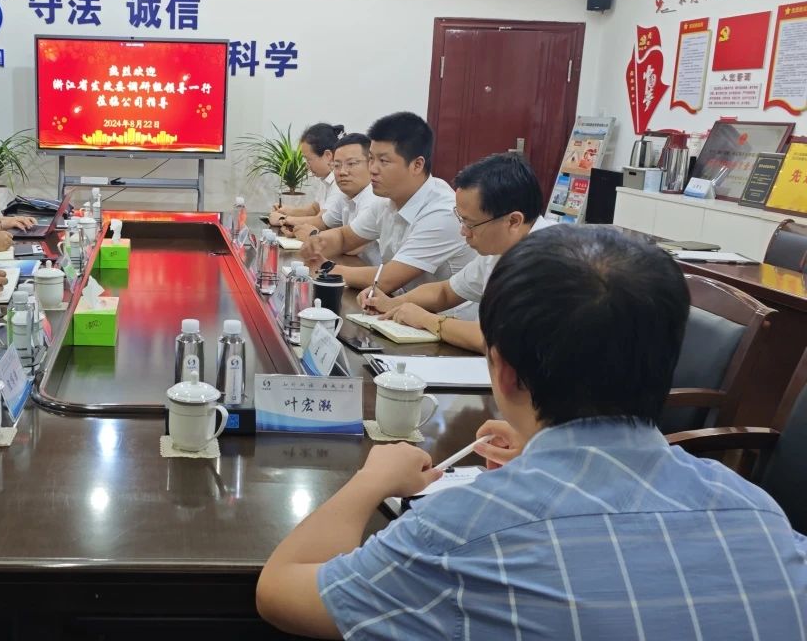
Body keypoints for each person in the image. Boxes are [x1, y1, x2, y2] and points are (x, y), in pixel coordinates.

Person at [258, 225, 807, 639]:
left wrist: (371, 480)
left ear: (502, 371)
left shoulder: (461, 534)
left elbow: (281, 589)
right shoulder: (760, 513)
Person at [362, 152, 556, 352]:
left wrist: (428, 320)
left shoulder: (551, 260)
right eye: (461, 220)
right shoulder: (500, 248)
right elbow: (446, 292)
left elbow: (498, 340)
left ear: (513, 221)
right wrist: (393, 303)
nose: (463, 232)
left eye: (470, 223)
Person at [300, 112, 474, 293]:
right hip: (399, 303)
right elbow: (345, 238)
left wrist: (326, 268)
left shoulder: (442, 212)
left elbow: (387, 280)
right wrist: (317, 243)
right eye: (371, 159)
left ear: (417, 165)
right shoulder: (387, 200)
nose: (373, 169)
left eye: (383, 161)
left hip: (436, 310)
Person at [290, 134, 383, 260]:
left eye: (351, 164)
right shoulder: (345, 194)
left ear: (371, 164)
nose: (342, 172)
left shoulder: (374, 197)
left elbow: (352, 247)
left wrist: (314, 235)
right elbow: (324, 222)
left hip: (369, 270)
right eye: (337, 165)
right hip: (353, 266)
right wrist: (294, 227)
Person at [270, 123, 347, 232]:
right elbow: (315, 209)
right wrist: (287, 211)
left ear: (328, 156)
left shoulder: (340, 182)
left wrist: (284, 219)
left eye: (308, 159)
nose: (306, 166)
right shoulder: (326, 178)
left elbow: (322, 222)